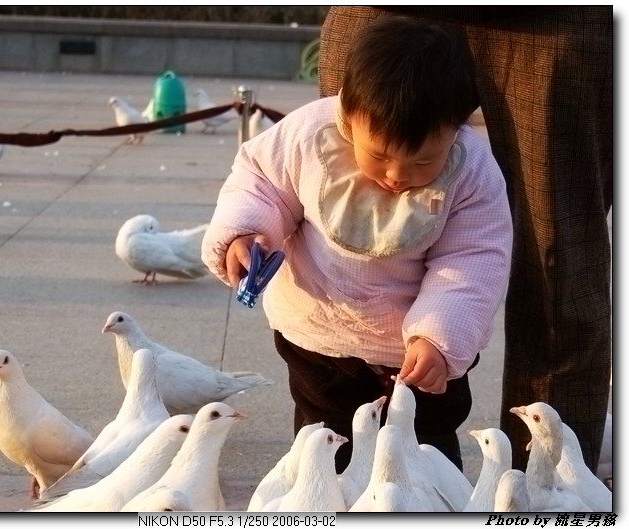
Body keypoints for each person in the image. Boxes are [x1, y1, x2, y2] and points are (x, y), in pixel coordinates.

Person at [201, 15, 513, 472]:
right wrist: (244, 235)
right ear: (348, 114)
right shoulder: (310, 134)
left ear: (458, 128)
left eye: (424, 160)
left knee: (424, 448)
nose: (397, 175)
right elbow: (261, 183)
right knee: (325, 441)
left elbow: (473, 259)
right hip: (319, 334)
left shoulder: (471, 172)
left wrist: (440, 336)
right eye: (380, 154)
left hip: (413, 353)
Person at [317, 6, 613, 473]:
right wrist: (246, 226)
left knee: (559, 269)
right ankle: (351, 477)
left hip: (555, 19)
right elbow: (269, 169)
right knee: (349, 243)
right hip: (385, 13)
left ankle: (549, 495)